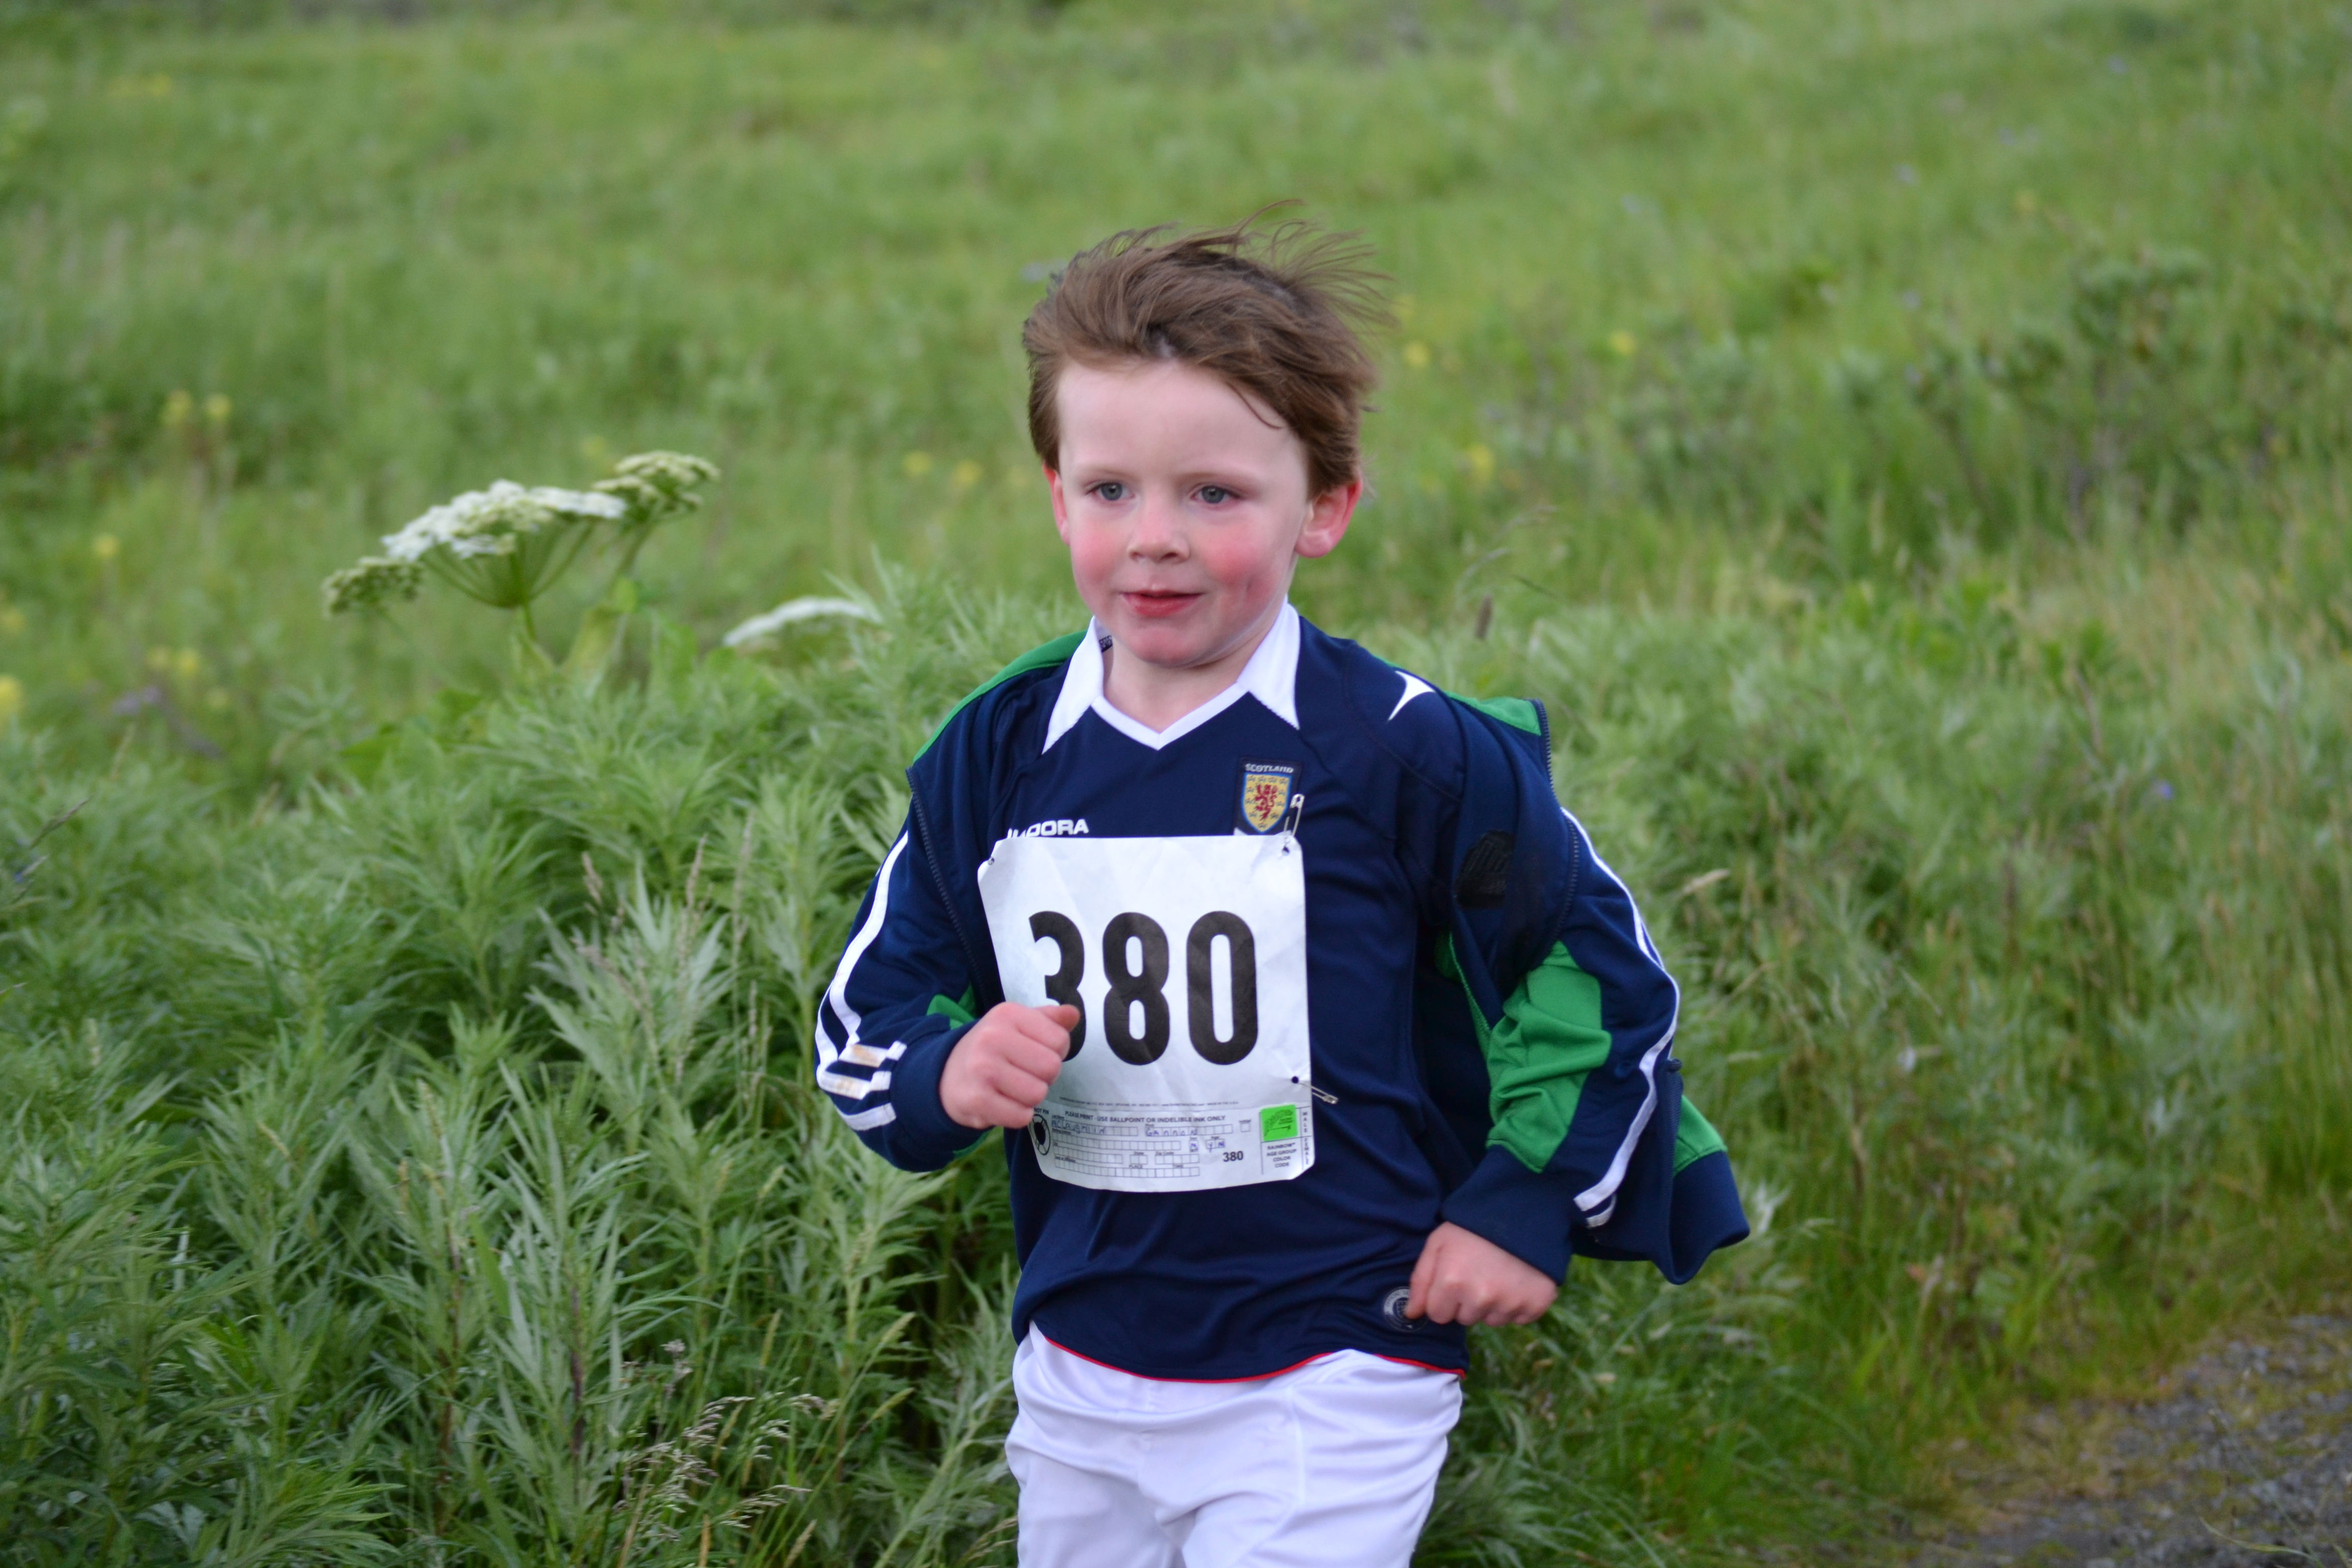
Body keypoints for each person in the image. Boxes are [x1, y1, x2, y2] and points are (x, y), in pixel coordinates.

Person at [816, 218, 1747, 1567]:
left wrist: (1520, 1197)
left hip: (1338, 1357)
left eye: (1215, 495)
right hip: (1080, 1361)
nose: (1156, 542)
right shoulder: (998, 752)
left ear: (1326, 505)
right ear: (1054, 493)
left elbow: (1593, 968)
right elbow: (869, 1008)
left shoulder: (1406, 750)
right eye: (1110, 490)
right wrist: (947, 1070)